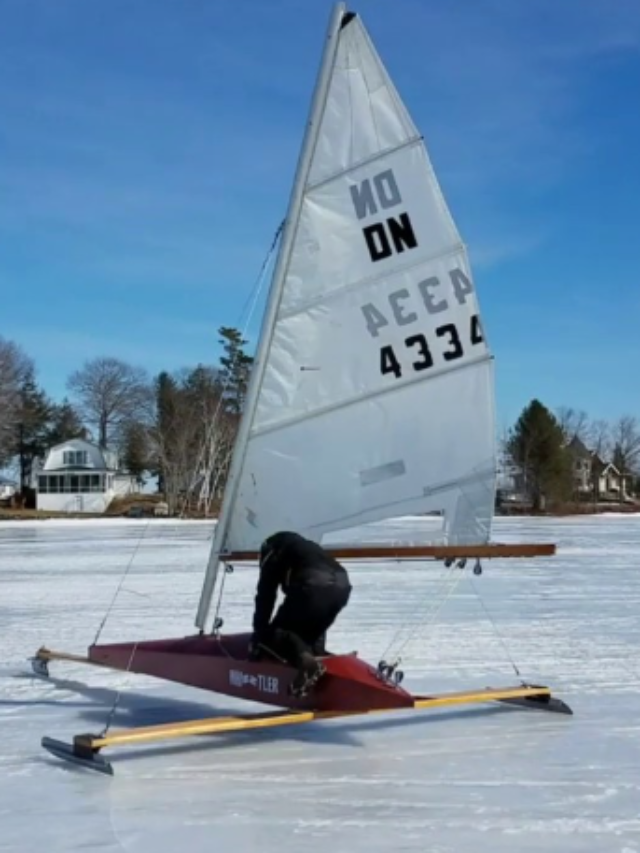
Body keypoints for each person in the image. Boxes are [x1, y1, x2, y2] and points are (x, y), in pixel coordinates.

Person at [248, 531, 352, 697]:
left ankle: (307, 663)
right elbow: (314, 617)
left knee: (276, 633)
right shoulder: (306, 548)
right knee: (312, 622)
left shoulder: (273, 550)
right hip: (342, 584)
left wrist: (259, 636)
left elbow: (265, 596)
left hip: (313, 581)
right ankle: (316, 657)